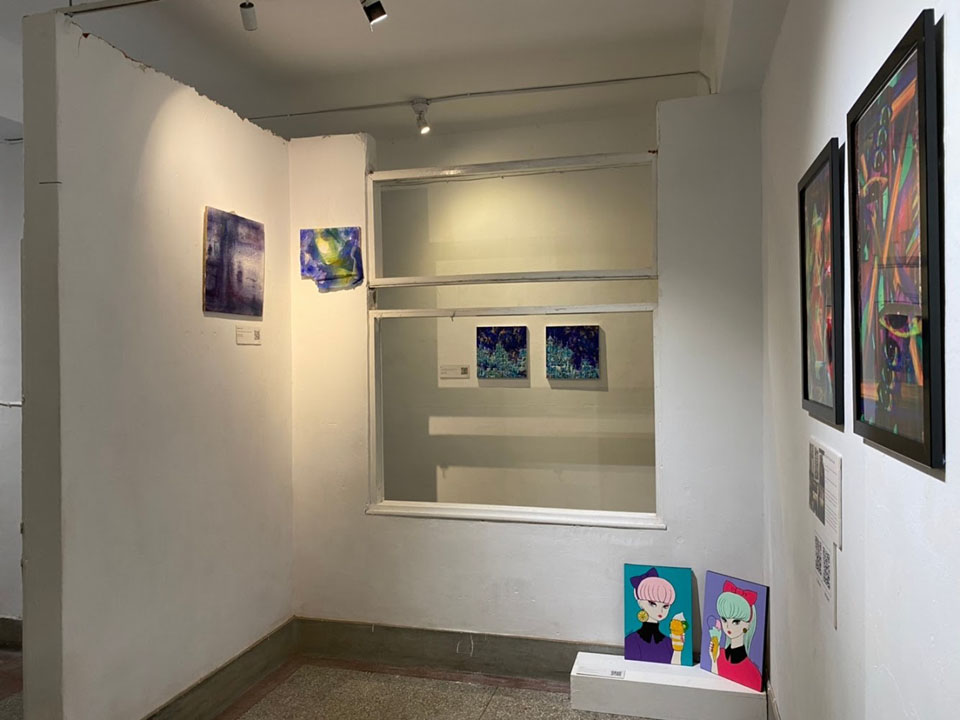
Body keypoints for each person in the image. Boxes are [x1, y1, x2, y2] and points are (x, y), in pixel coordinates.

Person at [707, 580, 763, 691]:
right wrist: (714, 661)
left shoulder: (752, 672)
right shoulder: (718, 654)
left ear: (748, 624)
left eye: (736, 622)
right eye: (724, 620)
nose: (728, 626)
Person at [624, 568, 685, 664]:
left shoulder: (669, 643)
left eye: (665, 606)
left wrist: (678, 650)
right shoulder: (631, 641)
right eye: (652, 604)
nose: (660, 610)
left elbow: (675, 668)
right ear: (640, 603)